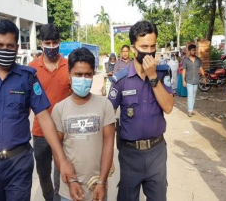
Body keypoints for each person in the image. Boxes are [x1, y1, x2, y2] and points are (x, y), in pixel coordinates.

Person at [0, 19, 75, 201]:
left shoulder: (27, 78)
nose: (5, 49)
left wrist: (62, 159)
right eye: (0, 45)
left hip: (19, 161)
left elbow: (44, 118)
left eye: (10, 46)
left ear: (17, 47)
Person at [108, 20, 174, 201]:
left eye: (153, 46)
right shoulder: (120, 80)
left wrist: (152, 76)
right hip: (130, 153)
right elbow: (107, 117)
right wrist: (105, 157)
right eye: (144, 46)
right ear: (133, 48)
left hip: (157, 152)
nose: (149, 51)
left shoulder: (162, 73)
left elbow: (168, 107)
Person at [52, 47, 116, 201]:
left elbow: (108, 144)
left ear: (93, 75)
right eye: (78, 74)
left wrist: (102, 181)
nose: (83, 78)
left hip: (97, 187)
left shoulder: (105, 105)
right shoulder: (59, 109)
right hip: (69, 189)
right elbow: (56, 148)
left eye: (87, 74)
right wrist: (71, 180)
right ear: (69, 75)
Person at [28, 24, 71, 201]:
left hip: (65, 131)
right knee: (44, 175)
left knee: (63, 171)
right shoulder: (31, 69)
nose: (51, 46)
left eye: (55, 42)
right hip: (40, 133)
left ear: (59, 43)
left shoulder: (69, 66)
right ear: (41, 43)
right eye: (48, 42)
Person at [182, 44, 206, 117]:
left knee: (194, 95)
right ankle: (190, 110)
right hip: (189, 80)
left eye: (195, 50)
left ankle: (191, 109)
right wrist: (183, 80)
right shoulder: (186, 60)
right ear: (189, 51)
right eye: (192, 50)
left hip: (196, 80)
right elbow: (184, 70)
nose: (194, 51)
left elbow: (201, 68)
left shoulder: (198, 60)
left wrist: (204, 77)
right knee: (190, 95)